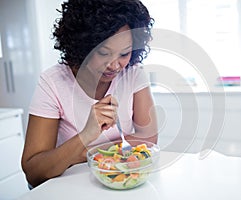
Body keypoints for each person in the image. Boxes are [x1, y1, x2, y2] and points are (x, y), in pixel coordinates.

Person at [21, 0, 158, 188]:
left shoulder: (133, 74)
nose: (115, 65)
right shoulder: (53, 82)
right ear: (82, 46)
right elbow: (34, 172)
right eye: (103, 53)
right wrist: (86, 135)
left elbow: (149, 137)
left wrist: (89, 154)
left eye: (124, 53)